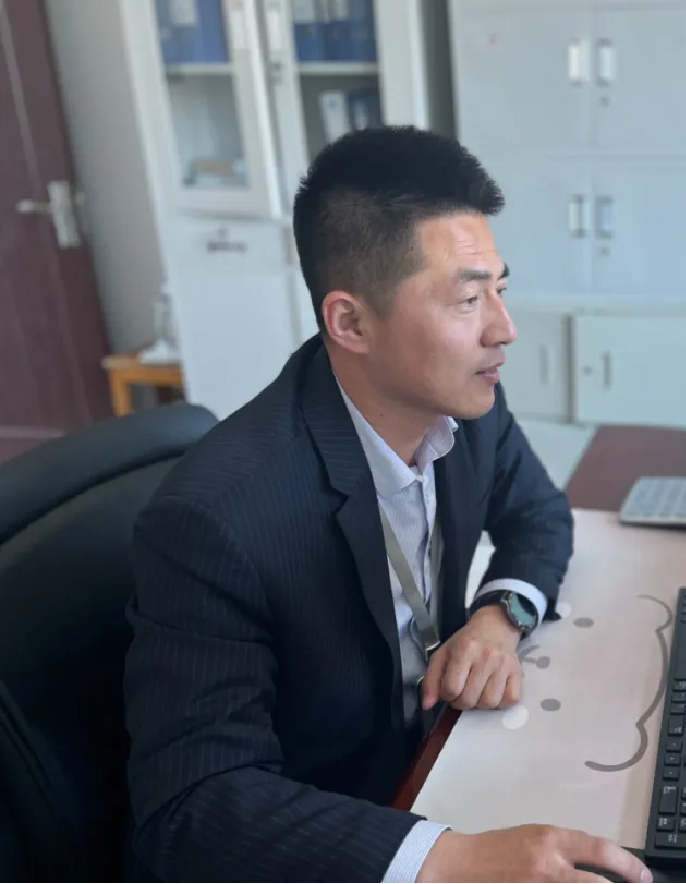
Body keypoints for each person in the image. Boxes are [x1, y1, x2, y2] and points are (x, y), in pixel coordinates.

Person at [122, 126, 652, 884]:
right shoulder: (215, 520)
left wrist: (499, 618)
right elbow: (192, 806)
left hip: (448, 753)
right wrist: (453, 857)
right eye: (467, 299)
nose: (503, 329)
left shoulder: (467, 409)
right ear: (351, 322)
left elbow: (538, 515)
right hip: (339, 829)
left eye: (500, 290)